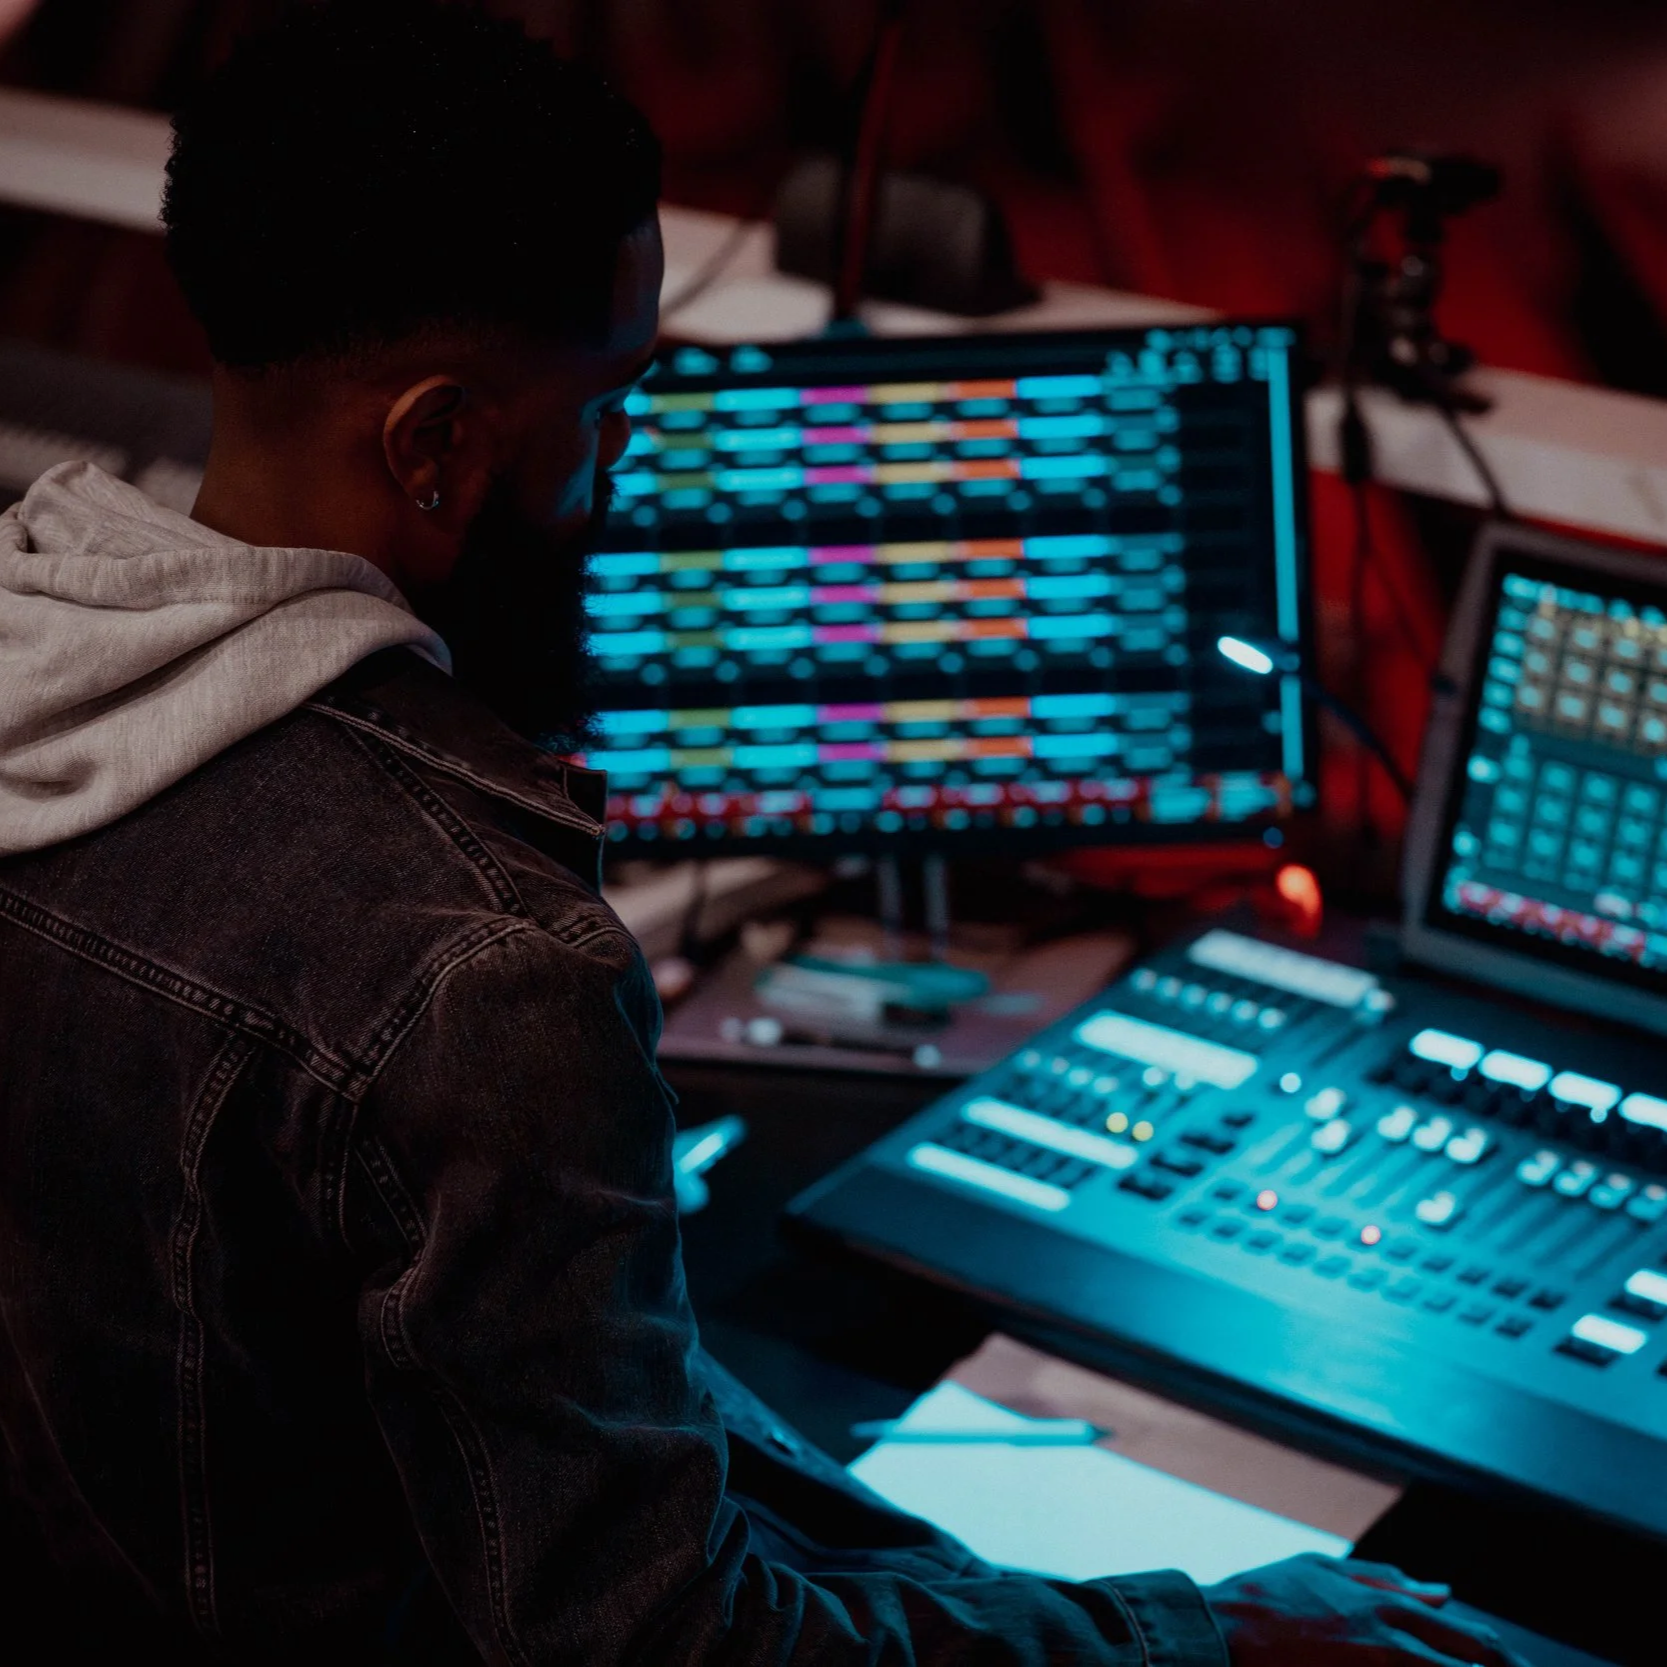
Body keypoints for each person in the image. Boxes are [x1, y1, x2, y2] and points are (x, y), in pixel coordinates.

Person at [0, 5, 1526, 1664]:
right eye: (605, 412)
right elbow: (675, 1640)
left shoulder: (43, 688)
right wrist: (1211, 1641)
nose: (624, 477)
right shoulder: (474, 968)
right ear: (434, 445)